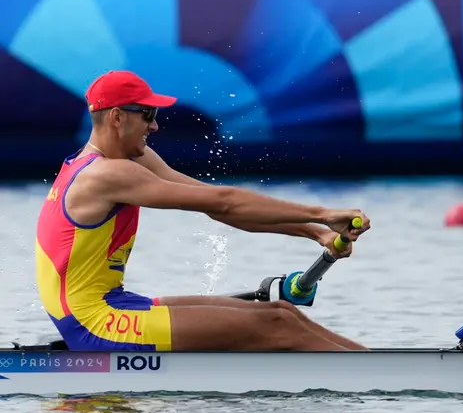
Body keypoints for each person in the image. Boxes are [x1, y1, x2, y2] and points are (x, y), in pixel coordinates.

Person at [35, 70, 371, 352]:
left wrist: (314, 230)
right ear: (117, 117)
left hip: (114, 306)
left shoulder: (122, 161)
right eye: (148, 115)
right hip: (96, 323)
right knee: (276, 323)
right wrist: (323, 213)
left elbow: (215, 205)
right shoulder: (107, 174)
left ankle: (371, 364)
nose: (155, 127)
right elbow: (224, 200)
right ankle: (383, 375)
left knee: (282, 310)